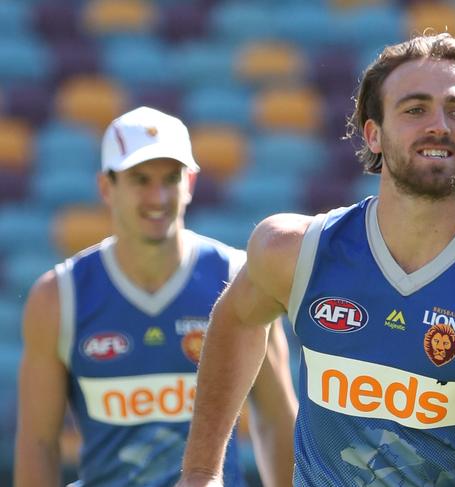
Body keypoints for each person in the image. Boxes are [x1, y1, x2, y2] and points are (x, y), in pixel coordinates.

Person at [177, 32, 455, 487]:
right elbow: (239, 321)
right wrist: (201, 472)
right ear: (373, 133)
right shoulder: (297, 251)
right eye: (415, 109)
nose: (438, 125)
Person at [14, 106, 297, 487]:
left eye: (171, 177)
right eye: (140, 179)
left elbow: (276, 419)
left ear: (191, 182)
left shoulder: (239, 279)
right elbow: (38, 442)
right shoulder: (58, 296)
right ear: (105, 187)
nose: (158, 195)